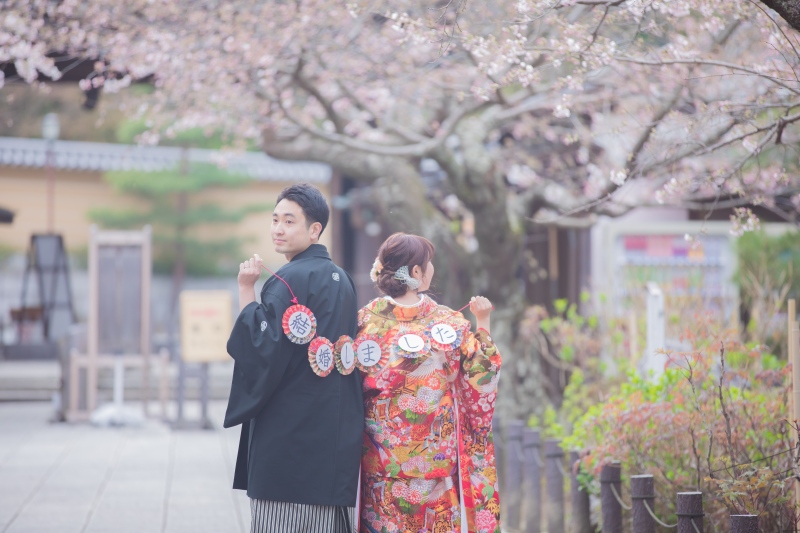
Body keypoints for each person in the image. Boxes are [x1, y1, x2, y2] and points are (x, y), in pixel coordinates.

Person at [223, 184, 363, 533]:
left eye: (289, 221)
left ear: (315, 230)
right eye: (275, 220)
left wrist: (246, 288)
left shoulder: (289, 278)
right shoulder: (344, 280)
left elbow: (259, 350)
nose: (278, 229)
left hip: (290, 429)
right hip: (335, 426)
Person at [356, 233, 502, 533]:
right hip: (435, 458)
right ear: (416, 272)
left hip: (381, 461)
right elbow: (480, 378)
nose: (432, 267)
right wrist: (483, 322)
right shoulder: (448, 323)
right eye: (429, 262)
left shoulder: (365, 322)